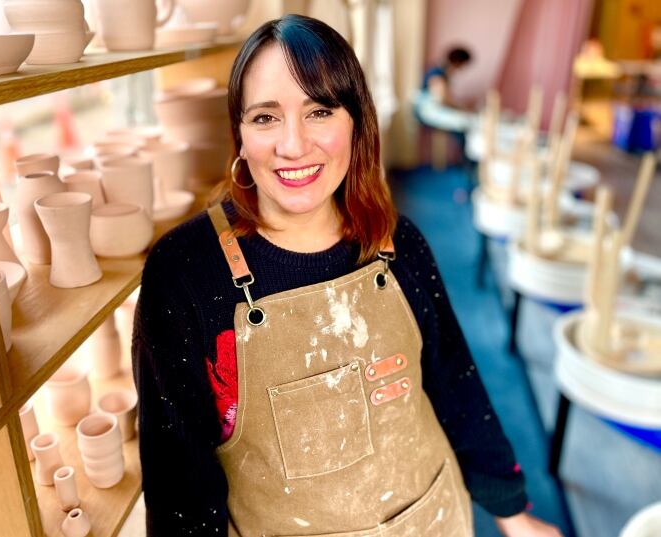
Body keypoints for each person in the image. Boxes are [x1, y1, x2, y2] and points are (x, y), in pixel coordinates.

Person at [133, 14, 563, 537]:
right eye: (266, 118)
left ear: (355, 123)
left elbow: (455, 382)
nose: (293, 145)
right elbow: (179, 475)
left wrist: (513, 513)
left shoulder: (397, 242)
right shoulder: (184, 274)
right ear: (239, 135)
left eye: (319, 111)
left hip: (432, 519)